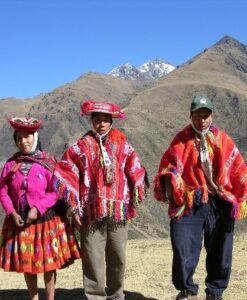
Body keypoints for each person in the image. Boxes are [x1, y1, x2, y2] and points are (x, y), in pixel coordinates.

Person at [154, 96, 247, 300]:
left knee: (221, 247)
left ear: (211, 116)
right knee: (182, 245)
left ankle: (215, 291)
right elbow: (167, 166)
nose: (201, 120)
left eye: (205, 116)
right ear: (191, 116)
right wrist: (171, 179)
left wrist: (237, 195)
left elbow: (238, 167)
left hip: (219, 201)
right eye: (197, 115)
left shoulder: (223, 139)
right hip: (190, 200)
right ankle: (186, 288)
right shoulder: (181, 140)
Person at [54, 100, 148, 300]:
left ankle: (116, 295)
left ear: (111, 121)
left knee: (118, 257)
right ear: (92, 121)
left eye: (106, 120)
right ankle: (95, 296)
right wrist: (73, 206)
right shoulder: (80, 147)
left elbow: (135, 168)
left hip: (118, 211)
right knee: (92, 258)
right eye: (97, 120)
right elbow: (65, 172)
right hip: (90, 211)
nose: (102, 124)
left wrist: (136, 187)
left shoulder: (123, 145)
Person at [0, 117, 80, 300]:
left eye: (27, 137)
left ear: (35, 137)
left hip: (46, 220)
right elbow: (2, 191)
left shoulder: (48, 161)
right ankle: (33, 298)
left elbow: (55, 191)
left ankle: (50, 298)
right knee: (28, 263)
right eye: (19, 138)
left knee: (48, 264)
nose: (23, 141)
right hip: (20, 221)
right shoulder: (11, 164)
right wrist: (11, 212)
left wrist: (37, 208)